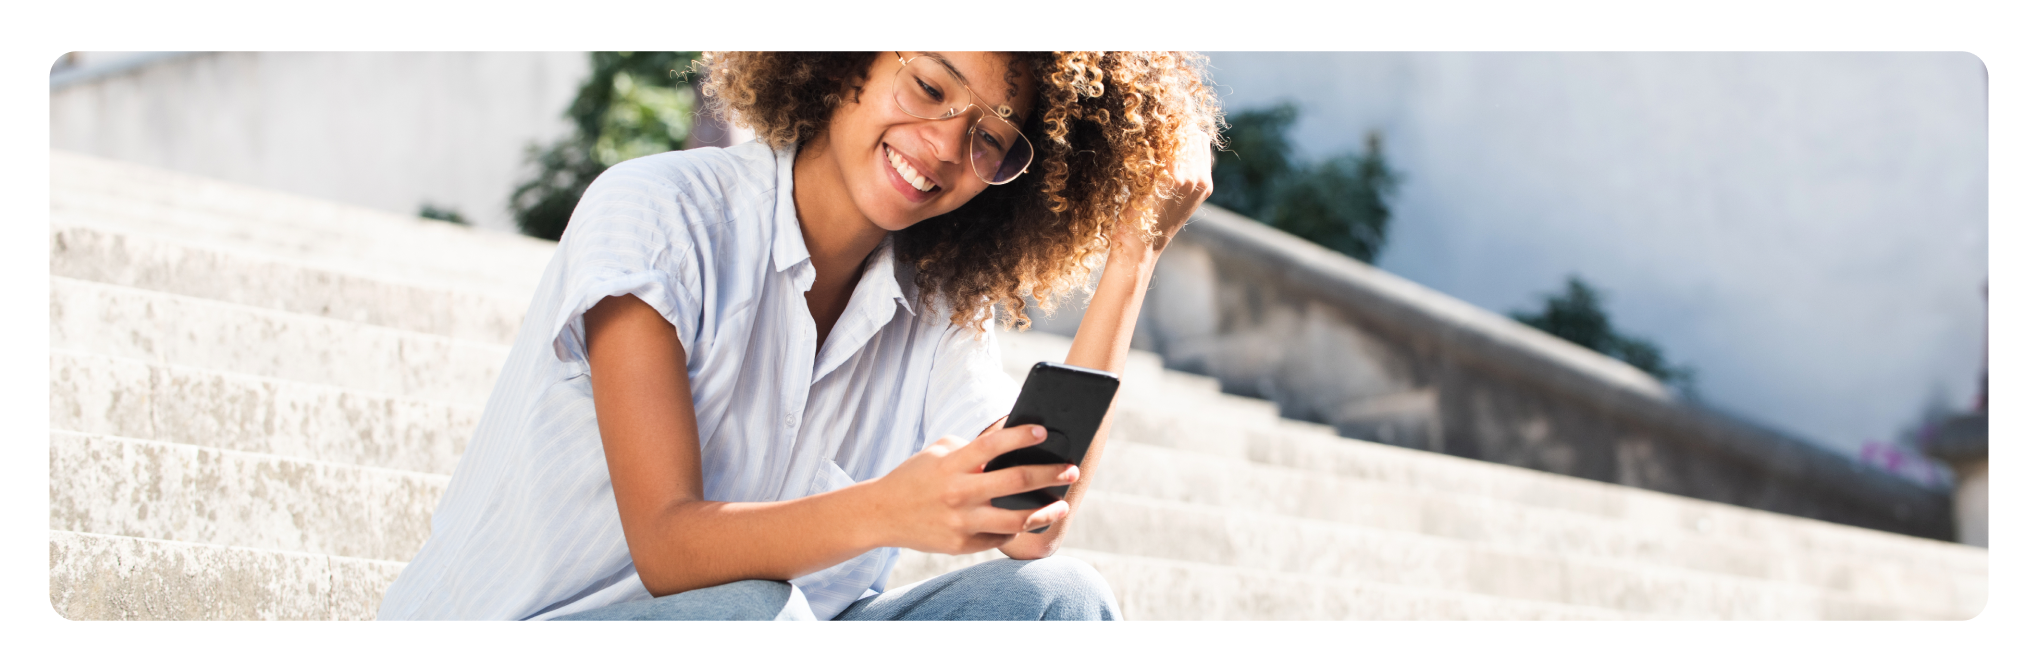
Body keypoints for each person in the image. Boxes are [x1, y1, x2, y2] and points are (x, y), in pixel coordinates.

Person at [378, 51, 1220, 621]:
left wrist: (1132, 258)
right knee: (751, 607)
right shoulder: (659, 213)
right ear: (852, 55)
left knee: (1056, 602)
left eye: (991, 137)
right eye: (929, 87)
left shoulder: (935, 309)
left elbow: (1029, 525)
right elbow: (670, 547)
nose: (942, 146)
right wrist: (888, 511)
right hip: (535, 633)